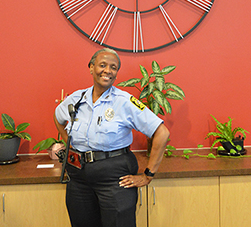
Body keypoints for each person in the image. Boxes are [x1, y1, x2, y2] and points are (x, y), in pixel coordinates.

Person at [54, 48, 170, 227]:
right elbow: (58, 116)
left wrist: (148, 175)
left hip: (114, 179)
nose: (107, 71)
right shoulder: (76, 99)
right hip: (79, 180)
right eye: (102, 65)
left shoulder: (124, 101)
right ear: (91, 68)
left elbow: (162, 133)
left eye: (113, 67)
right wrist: (69, 145)